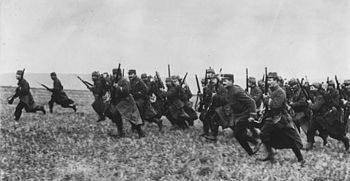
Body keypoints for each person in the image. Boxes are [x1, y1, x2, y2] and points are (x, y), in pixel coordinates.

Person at [210, 74, 261, 156]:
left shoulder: (237, 91)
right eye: (222, 81)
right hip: (238, 115)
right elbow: (226, 100)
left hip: (245, 114)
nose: (223, 82)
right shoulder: (228, 91)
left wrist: (252, 116)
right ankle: (252, 149)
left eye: (225, 81)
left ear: (231, 81)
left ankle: (255, 144)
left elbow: (251, 102)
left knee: (237, 133)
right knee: (239, 134)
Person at [258, 72, 304, 163]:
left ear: (276, 81)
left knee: (291, 140)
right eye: (268, 80)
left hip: (282, 119)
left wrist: (267, 99)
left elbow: (276, 105)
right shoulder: (271, 90)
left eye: (271, 80)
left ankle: (301, 159)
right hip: (273, 118)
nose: (269, 82)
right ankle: (270, 153)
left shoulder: (280, 91)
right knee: (264, 133)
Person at [304, 82, 349, 151]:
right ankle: (310, 144)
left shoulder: (321, 97)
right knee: (310, 130)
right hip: (317, 118)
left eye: (313, 87)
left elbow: (315, 107)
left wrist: (310, 104)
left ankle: (344, 139)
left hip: (323, 118)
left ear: (317, 89)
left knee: (332, 133)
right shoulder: (316, 96)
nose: (311, 88)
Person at [107, 68, 145, 138]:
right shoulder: (115, 81)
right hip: (121, 102)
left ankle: (140, 133)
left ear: (119, 74)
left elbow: (127, 91)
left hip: (127, 101)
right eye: (114, 74)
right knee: (116, 115)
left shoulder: (124, 81)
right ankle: (120, 132)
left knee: (132, 118)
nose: (115, 75)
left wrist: (118, 87)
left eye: (116, 74)